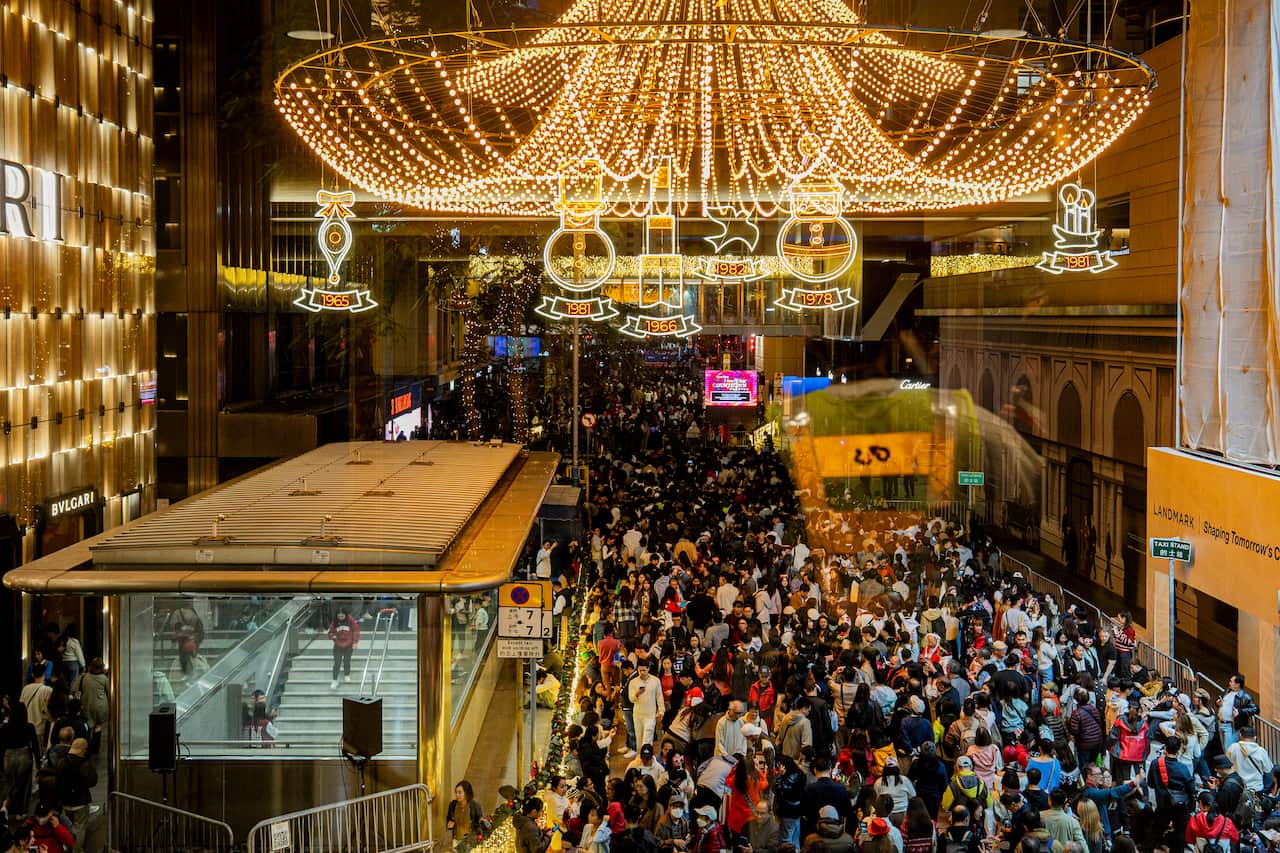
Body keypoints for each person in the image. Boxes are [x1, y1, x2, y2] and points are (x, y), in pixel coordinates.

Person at [1, 701, 41, 817]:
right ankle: (21, 811)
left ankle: (6, 807)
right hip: (24, 755)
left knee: (9, 784)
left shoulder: (4, 727)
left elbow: (1, 746)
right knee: (24, 785)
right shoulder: (29, 727)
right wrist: (38, 763)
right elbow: (35, 746)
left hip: (8, 755)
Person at [54, 737, 96, 828]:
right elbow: (93, 781)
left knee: (68, 828)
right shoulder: (85, 764)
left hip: (65, 802)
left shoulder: (61, 762)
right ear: (83, 750)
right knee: (79, 829)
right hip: (80, 802)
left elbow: (57, 781)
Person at [75, 658, 109, 756]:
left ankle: (87, 747)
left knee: (87, 726)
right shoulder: (104, 678)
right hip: (100, 706)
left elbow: (75, 688)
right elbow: (109, 693)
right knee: (98, 726)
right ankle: (95, 748)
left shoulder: (84, 677)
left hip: (86, 704)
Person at [630, 660, 666, 750]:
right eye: (640, 670)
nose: (642, 672)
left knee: (647, 739)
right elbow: (631, 699)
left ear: (648, 668)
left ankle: (647, 758)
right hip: (637, 715)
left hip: (650, 715)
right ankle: (639, 758)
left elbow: (659, 697)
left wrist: (661, 711)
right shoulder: (633, 682)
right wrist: (637, 693)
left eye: (644, 670)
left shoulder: (655, 681)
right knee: (639, 738)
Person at [327, 607, 361, 690]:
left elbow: (356, 630)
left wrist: (355, 642)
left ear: (346, 615)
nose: (341, 618)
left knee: (347, 660)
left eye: (342, 616)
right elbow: (330, 632)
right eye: (339, 616)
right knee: (337, 663)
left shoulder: (350, 620)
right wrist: (332, 636)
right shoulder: (334, 621)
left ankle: (346, 675)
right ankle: (335, 680)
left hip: (349, 644)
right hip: (338, 645)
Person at [447, 780, 484, 850]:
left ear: (466, 793)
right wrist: (449, 824)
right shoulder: (453, 805)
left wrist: (481, 821)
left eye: (460, 793)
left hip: (470, 842)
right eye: (456, 792)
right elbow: (449, 820)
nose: (457, 795)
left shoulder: (475, 806)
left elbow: (479, 824)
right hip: (456, 841)